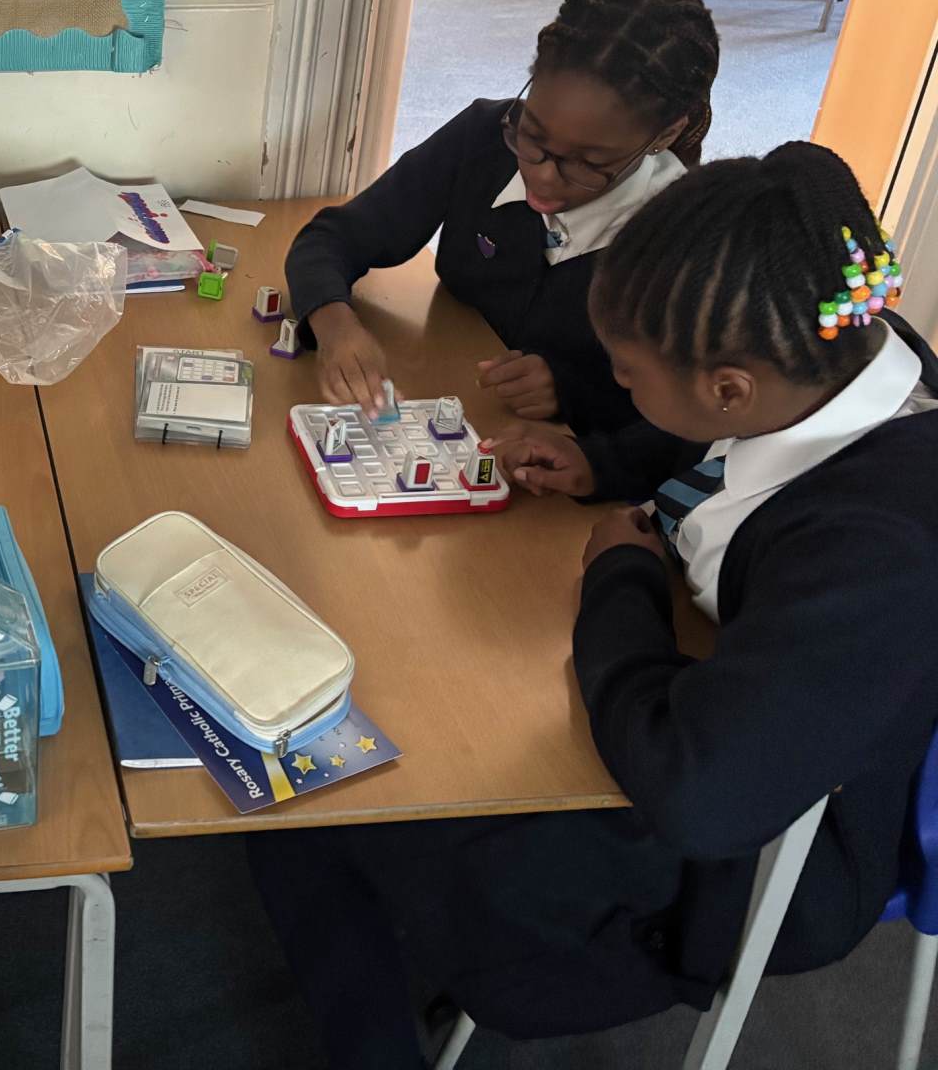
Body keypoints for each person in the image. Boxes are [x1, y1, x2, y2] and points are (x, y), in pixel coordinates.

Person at [251, 143, 938, 1069]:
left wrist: (622, 585)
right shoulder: (847, 354)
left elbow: (705, 797)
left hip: (762, 861)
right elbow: (720, 458)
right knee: (400, 730)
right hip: (734, 713)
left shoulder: (880, 550)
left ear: (728, 388)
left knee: (324, 803)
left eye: (627, 374)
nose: (616, 389)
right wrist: (603, 463)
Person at [284, 0, 718, 437]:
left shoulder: (687, 239)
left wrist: (573, 394)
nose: (542, 176)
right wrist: (335, 324)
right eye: (531, 136)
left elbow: (698, 418)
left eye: (589, 164)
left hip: (564, 458)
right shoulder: (484, 136)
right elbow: (330, 239)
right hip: (455, 408)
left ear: (665, 135)